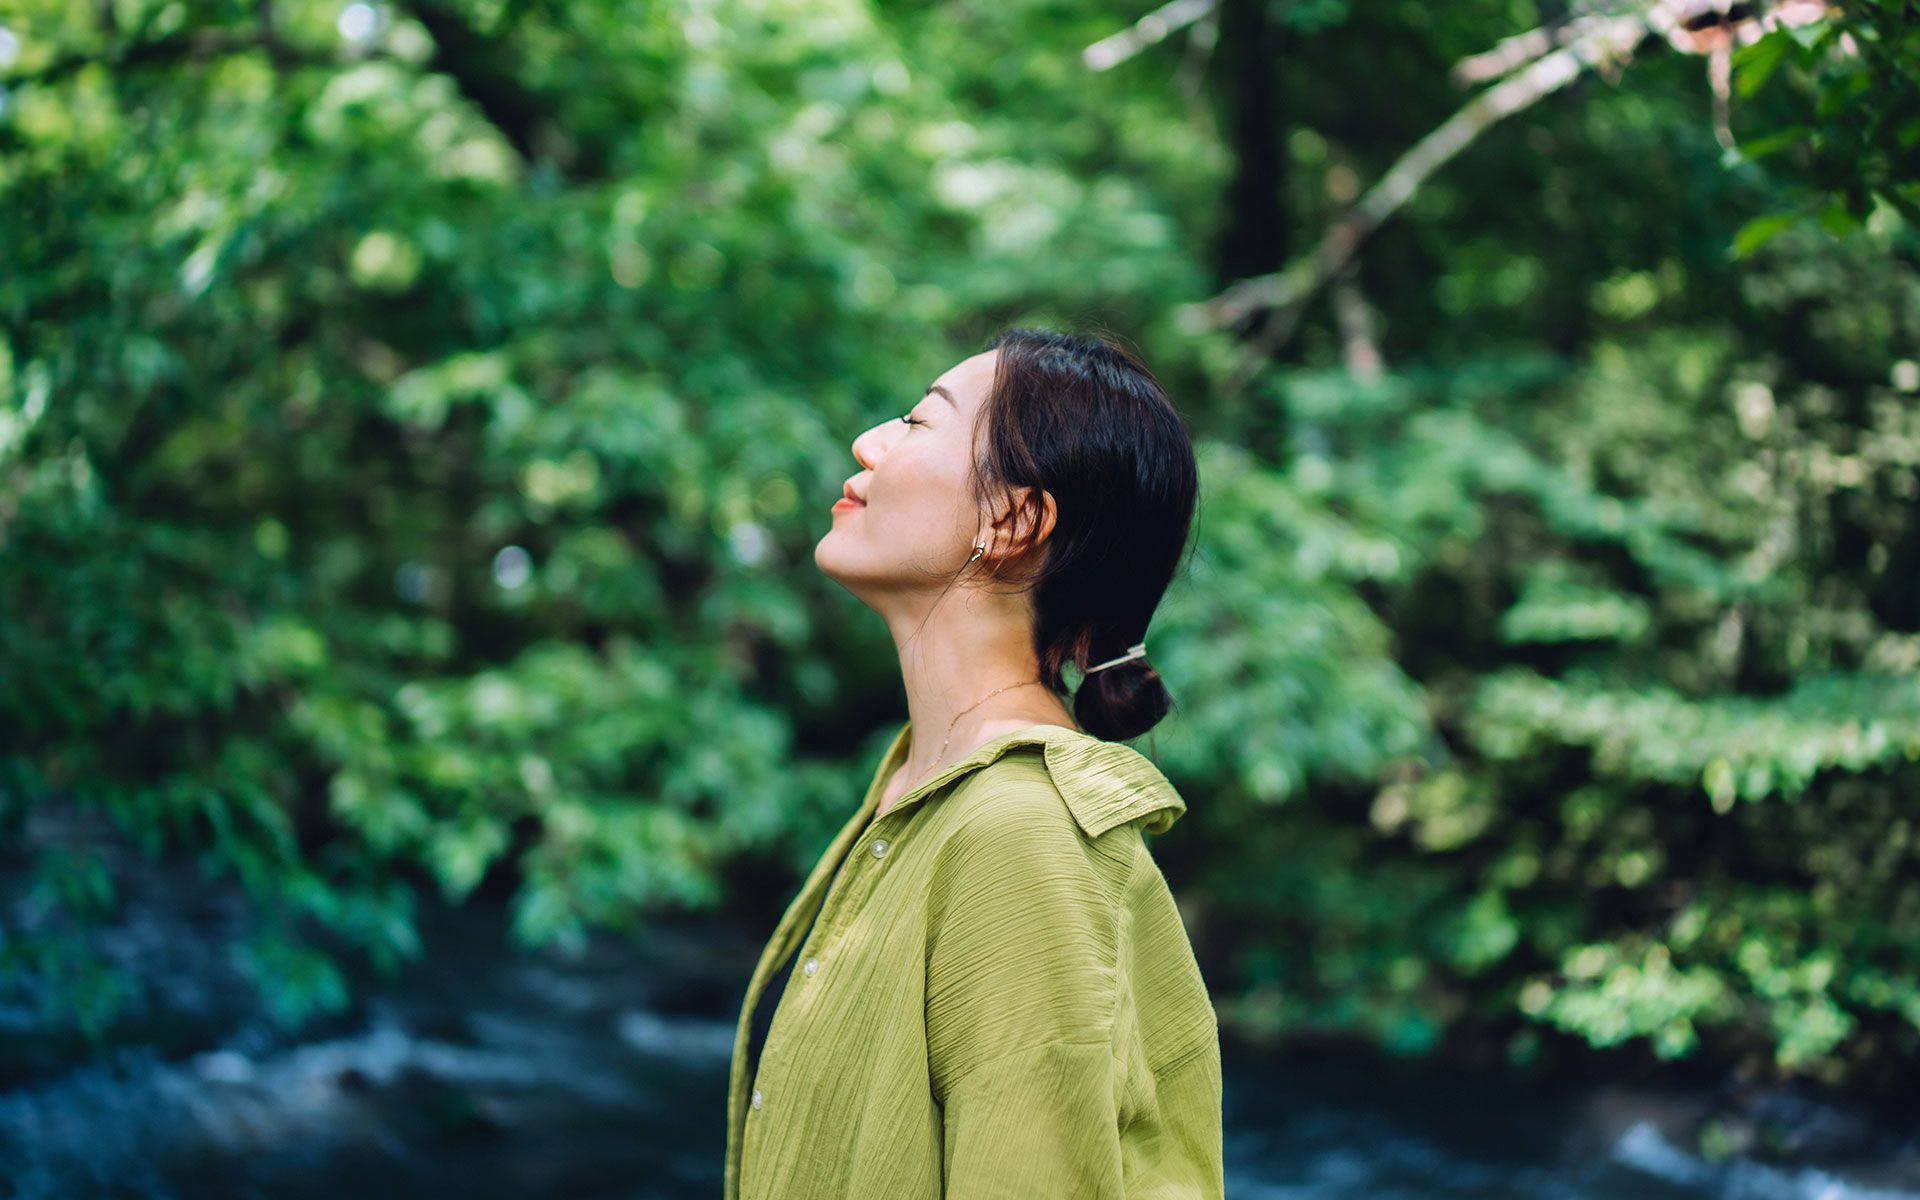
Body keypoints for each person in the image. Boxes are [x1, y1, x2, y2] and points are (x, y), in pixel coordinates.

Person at [722, 326, 1222, 1199]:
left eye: (917, 422)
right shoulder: (923, 786)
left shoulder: (1020, 837)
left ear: (1016, 519)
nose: (868, 441)